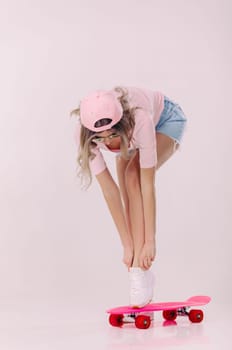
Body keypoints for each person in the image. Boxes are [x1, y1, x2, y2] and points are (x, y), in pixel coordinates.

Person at [72, 86, 187, 308]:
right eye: (100, 137)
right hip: (131, 133)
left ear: (121, 124)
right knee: (125, 188)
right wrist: (127, 245)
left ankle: (139, 270)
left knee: (133, 176)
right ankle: (139, 269)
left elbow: (147, 184)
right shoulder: (82, 135)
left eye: (113, 134)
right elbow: (109, 190)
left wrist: (149, 242)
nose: (107, 141)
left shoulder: (139, 120)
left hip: (166, 119)